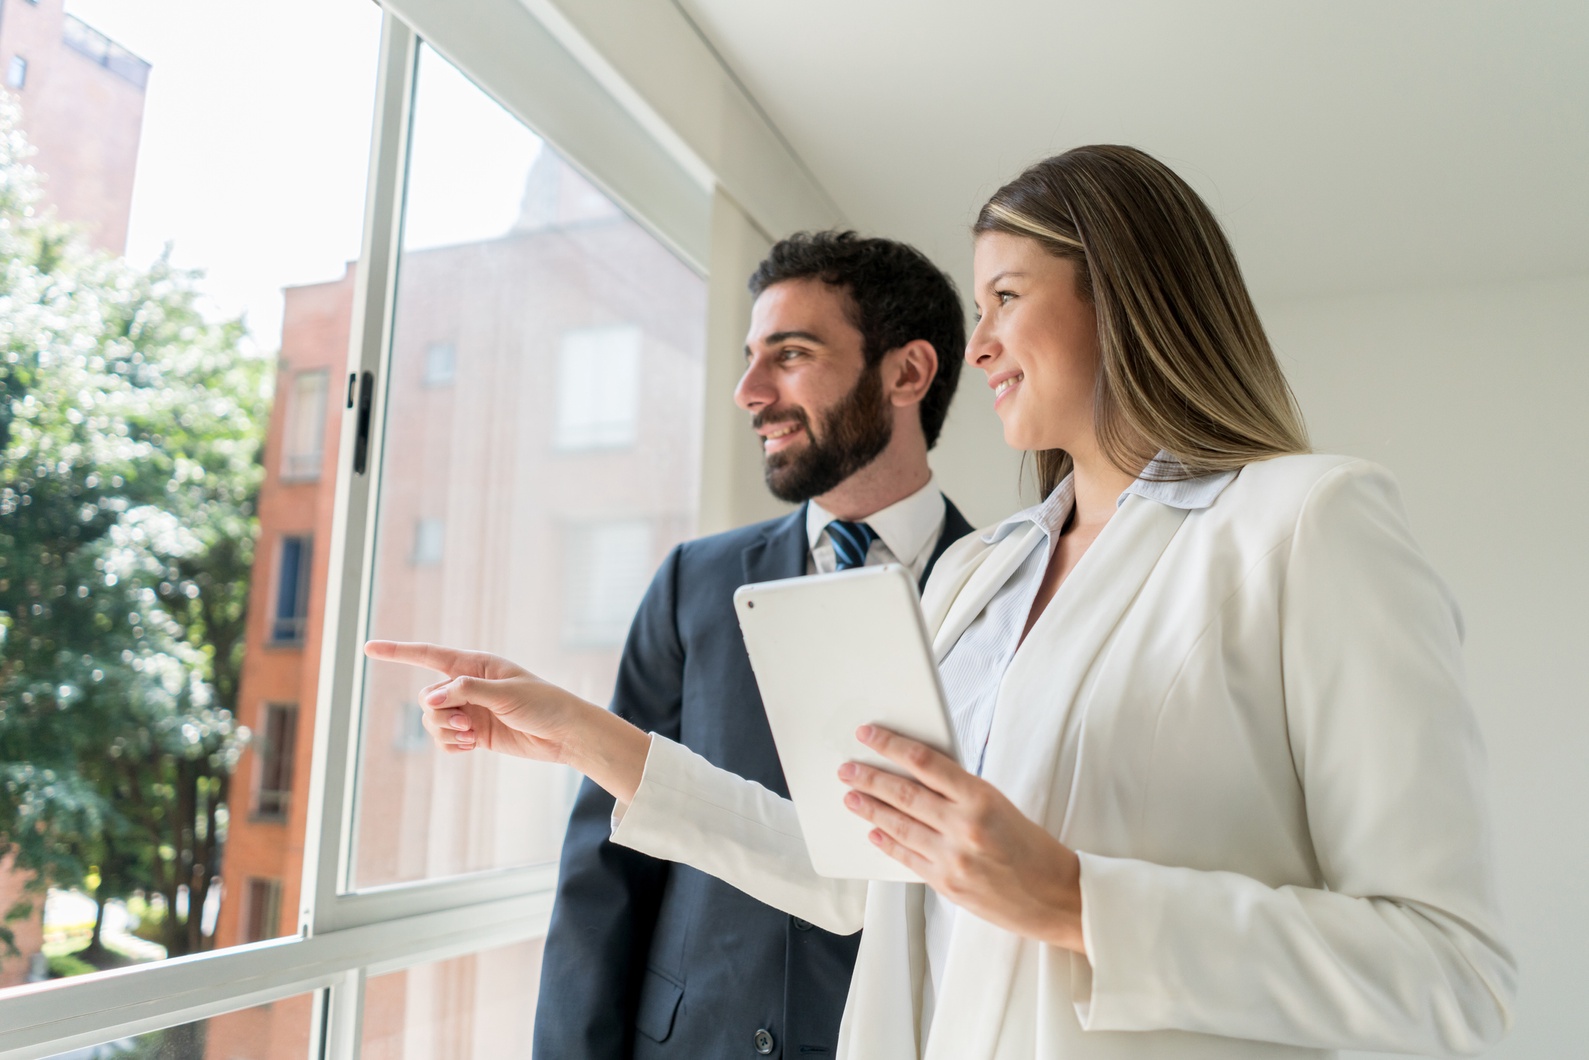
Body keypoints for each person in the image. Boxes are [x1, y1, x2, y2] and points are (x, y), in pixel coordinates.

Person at [369, 146, 1515, 1059]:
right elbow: (864, 869)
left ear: (1123, 296)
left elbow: (1447, 973)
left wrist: (1078, 902)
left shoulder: (1306, 524)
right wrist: (589, 737)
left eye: (1007, 297)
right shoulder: (983, 572)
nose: (982, 345)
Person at [530, 231, 975, 1058]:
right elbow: (605, 857)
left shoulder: (1007, 594)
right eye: (747, 357)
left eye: (790, 354)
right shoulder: (690, 583)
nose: (747, 391)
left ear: (907, 373)